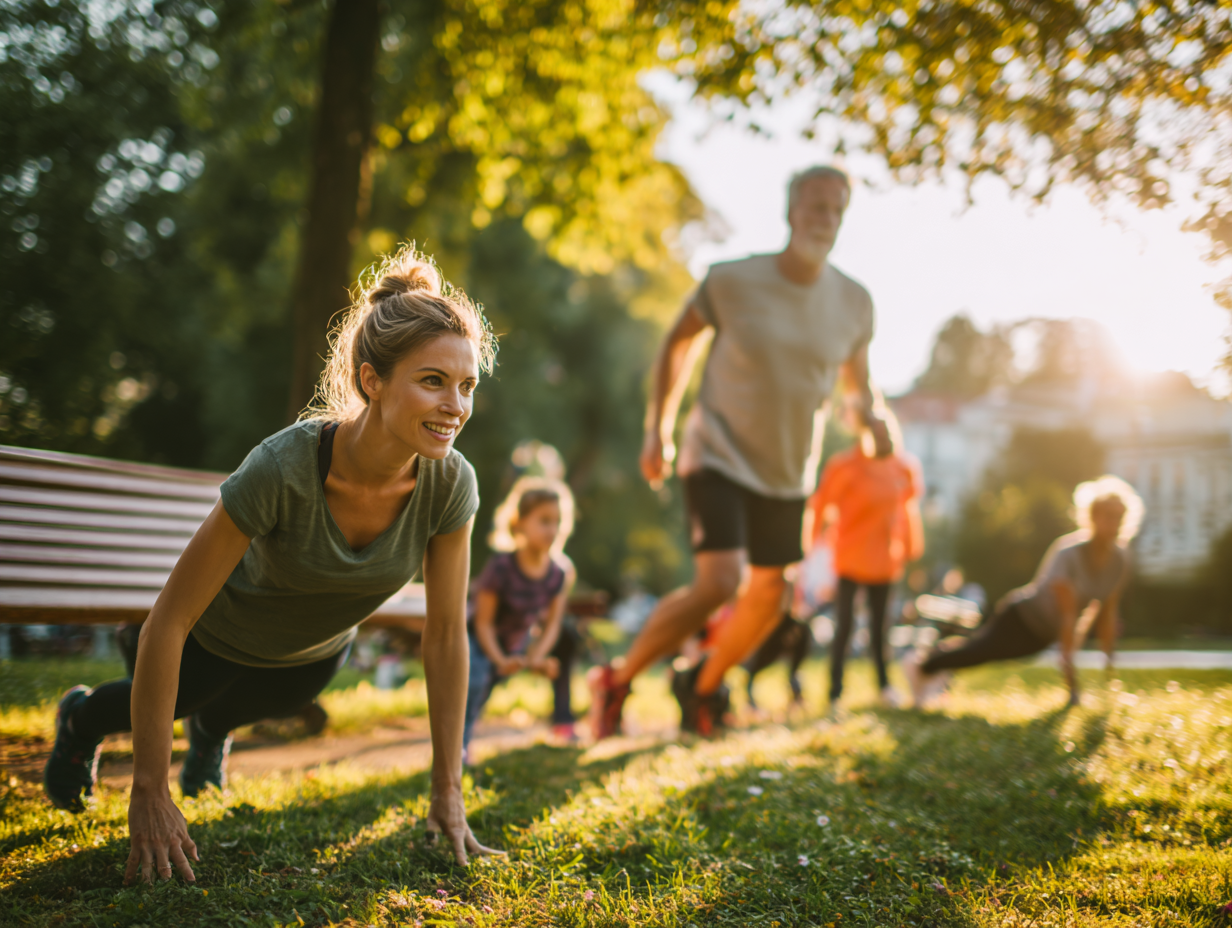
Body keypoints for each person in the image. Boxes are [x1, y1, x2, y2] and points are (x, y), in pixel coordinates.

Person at [42, 247, 500, 882]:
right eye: (432, 381)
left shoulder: (451, 484)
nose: (456, 406)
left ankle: (211, 736)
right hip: (217, 638)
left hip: (310, 657)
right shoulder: (283, 468)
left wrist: (447, 788)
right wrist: (149, 789)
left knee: (258, 702)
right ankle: (81, 717)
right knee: (192, 695)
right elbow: (168, 621)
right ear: (372, 381)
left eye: (467, 385)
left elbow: (447, 633)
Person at [588, 164, 887, 738]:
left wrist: (871, 417)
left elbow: (859, 386)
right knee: (720, 581)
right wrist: (660, 428)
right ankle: (618, 680)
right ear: (790, 211)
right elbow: (678, 340)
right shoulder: (732, 280)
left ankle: (700, 685)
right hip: (717, 450)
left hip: (789, 470)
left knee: (770, 600)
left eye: (835, 210)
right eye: (815, 206)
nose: (824, 219)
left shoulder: (854, 303)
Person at [903, 475, 1143, 709]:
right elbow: (1068, 619)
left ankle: (936, 663)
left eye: (1120, 517)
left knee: (980, 651)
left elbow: (1107, 615)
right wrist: (1073, 690)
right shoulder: (1068, 553)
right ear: (1093, 516)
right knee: (981, 652)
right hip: (1020, 617)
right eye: (1109, 516)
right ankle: (922, 665)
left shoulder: (1120, 559)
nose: (1115, 522)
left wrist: (1111, 678)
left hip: (1041, 636)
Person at [808, 411, 923, 712]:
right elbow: (820, 504)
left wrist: (912, 547)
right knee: (844, 625)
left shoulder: (902, 467)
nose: (883, 437)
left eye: (887, 431)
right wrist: (809, 547)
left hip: (886, 561)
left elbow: (907, 510)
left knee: (880, 629)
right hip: (851, 558)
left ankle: (884, 686)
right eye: (876, 432)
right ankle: (834, 693)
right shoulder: (845, 467)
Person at [463, 477, 577, 760]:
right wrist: (500, 660)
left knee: (571, 636)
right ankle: (459, 746)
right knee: (477, 685)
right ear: (520, 523)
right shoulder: (501, 567)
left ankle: (563, 720)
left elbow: (552, 624)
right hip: (480, 641)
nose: (552, 529)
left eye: (557, 521)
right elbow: (483, 623)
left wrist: (537, 656)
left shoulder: (559, 572)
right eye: (544, 520)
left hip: (517, 639)